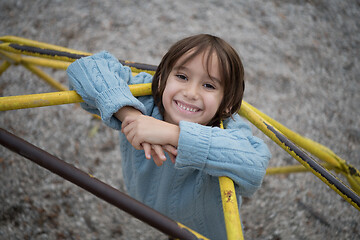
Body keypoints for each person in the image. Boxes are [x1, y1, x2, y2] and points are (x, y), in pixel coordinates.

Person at [67, 34, 271, 239]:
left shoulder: (228, 129)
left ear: (227, 102)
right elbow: (85, 68)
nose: (191, 92)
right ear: (163, 78)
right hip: (143, 203)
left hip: (203, 231)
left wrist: (174, 134)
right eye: (182, 77)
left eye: (209, 85)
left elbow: (254, 164)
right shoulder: (145, 100)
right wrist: (130, 115)